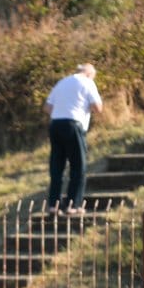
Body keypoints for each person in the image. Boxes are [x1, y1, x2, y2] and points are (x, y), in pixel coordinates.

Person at [43, 62, 103, 216]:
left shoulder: (62, 82)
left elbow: (47, 108)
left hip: (55, 124)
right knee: (78, 166)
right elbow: (98, 107)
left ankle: (53, 206)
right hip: (73, 125)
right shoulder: (88, 82)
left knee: (57, 167)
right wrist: (84, 109)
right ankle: (73, 205)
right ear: (90, 74)